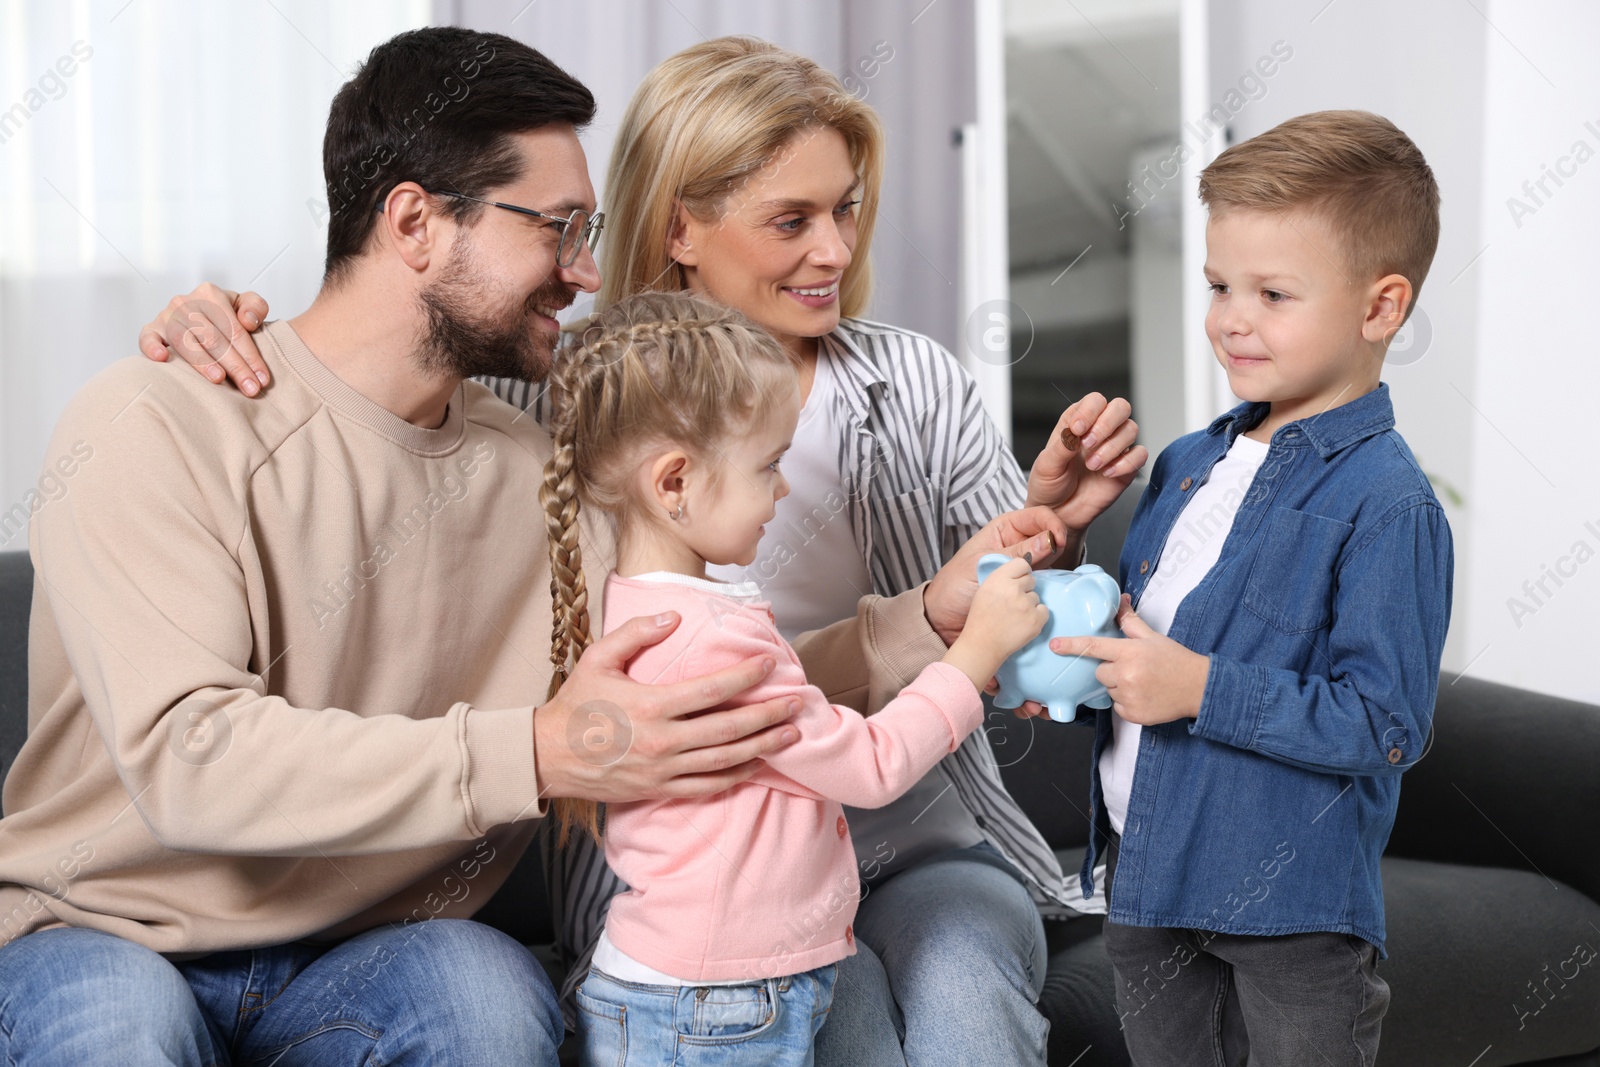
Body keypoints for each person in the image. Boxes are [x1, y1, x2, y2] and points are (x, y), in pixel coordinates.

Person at [0, 29, 1066, 1067]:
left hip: (377, 948)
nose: (586, 268)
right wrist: (542, 750)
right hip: (111, 928)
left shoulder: (538, 467)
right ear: (415, 222)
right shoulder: (158, 417)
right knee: (116, 1032)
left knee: (485, 992)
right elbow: (195, 760)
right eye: (556, 228)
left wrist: (917, 623)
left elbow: (707, 679)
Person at [541, 289, 1050, 1065]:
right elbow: (872, 766)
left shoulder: (638, 610)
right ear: (673, 482)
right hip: (718, 1004)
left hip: (701, 985)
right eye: (769, 466)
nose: (783, 489)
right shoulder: (716, 643)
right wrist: (972, 655)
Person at [1049, 110, 1454, 1065]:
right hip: (1145, 882)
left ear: (1381, 307)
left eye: (1273, 292)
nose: (1233, 317)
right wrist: (1062, 666)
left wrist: (1201, 689)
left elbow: (1386, 721)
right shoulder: (1187, 462)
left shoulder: (1389, 505)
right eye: (1220, 285)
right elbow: (1141, 641)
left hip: (1289, 912)